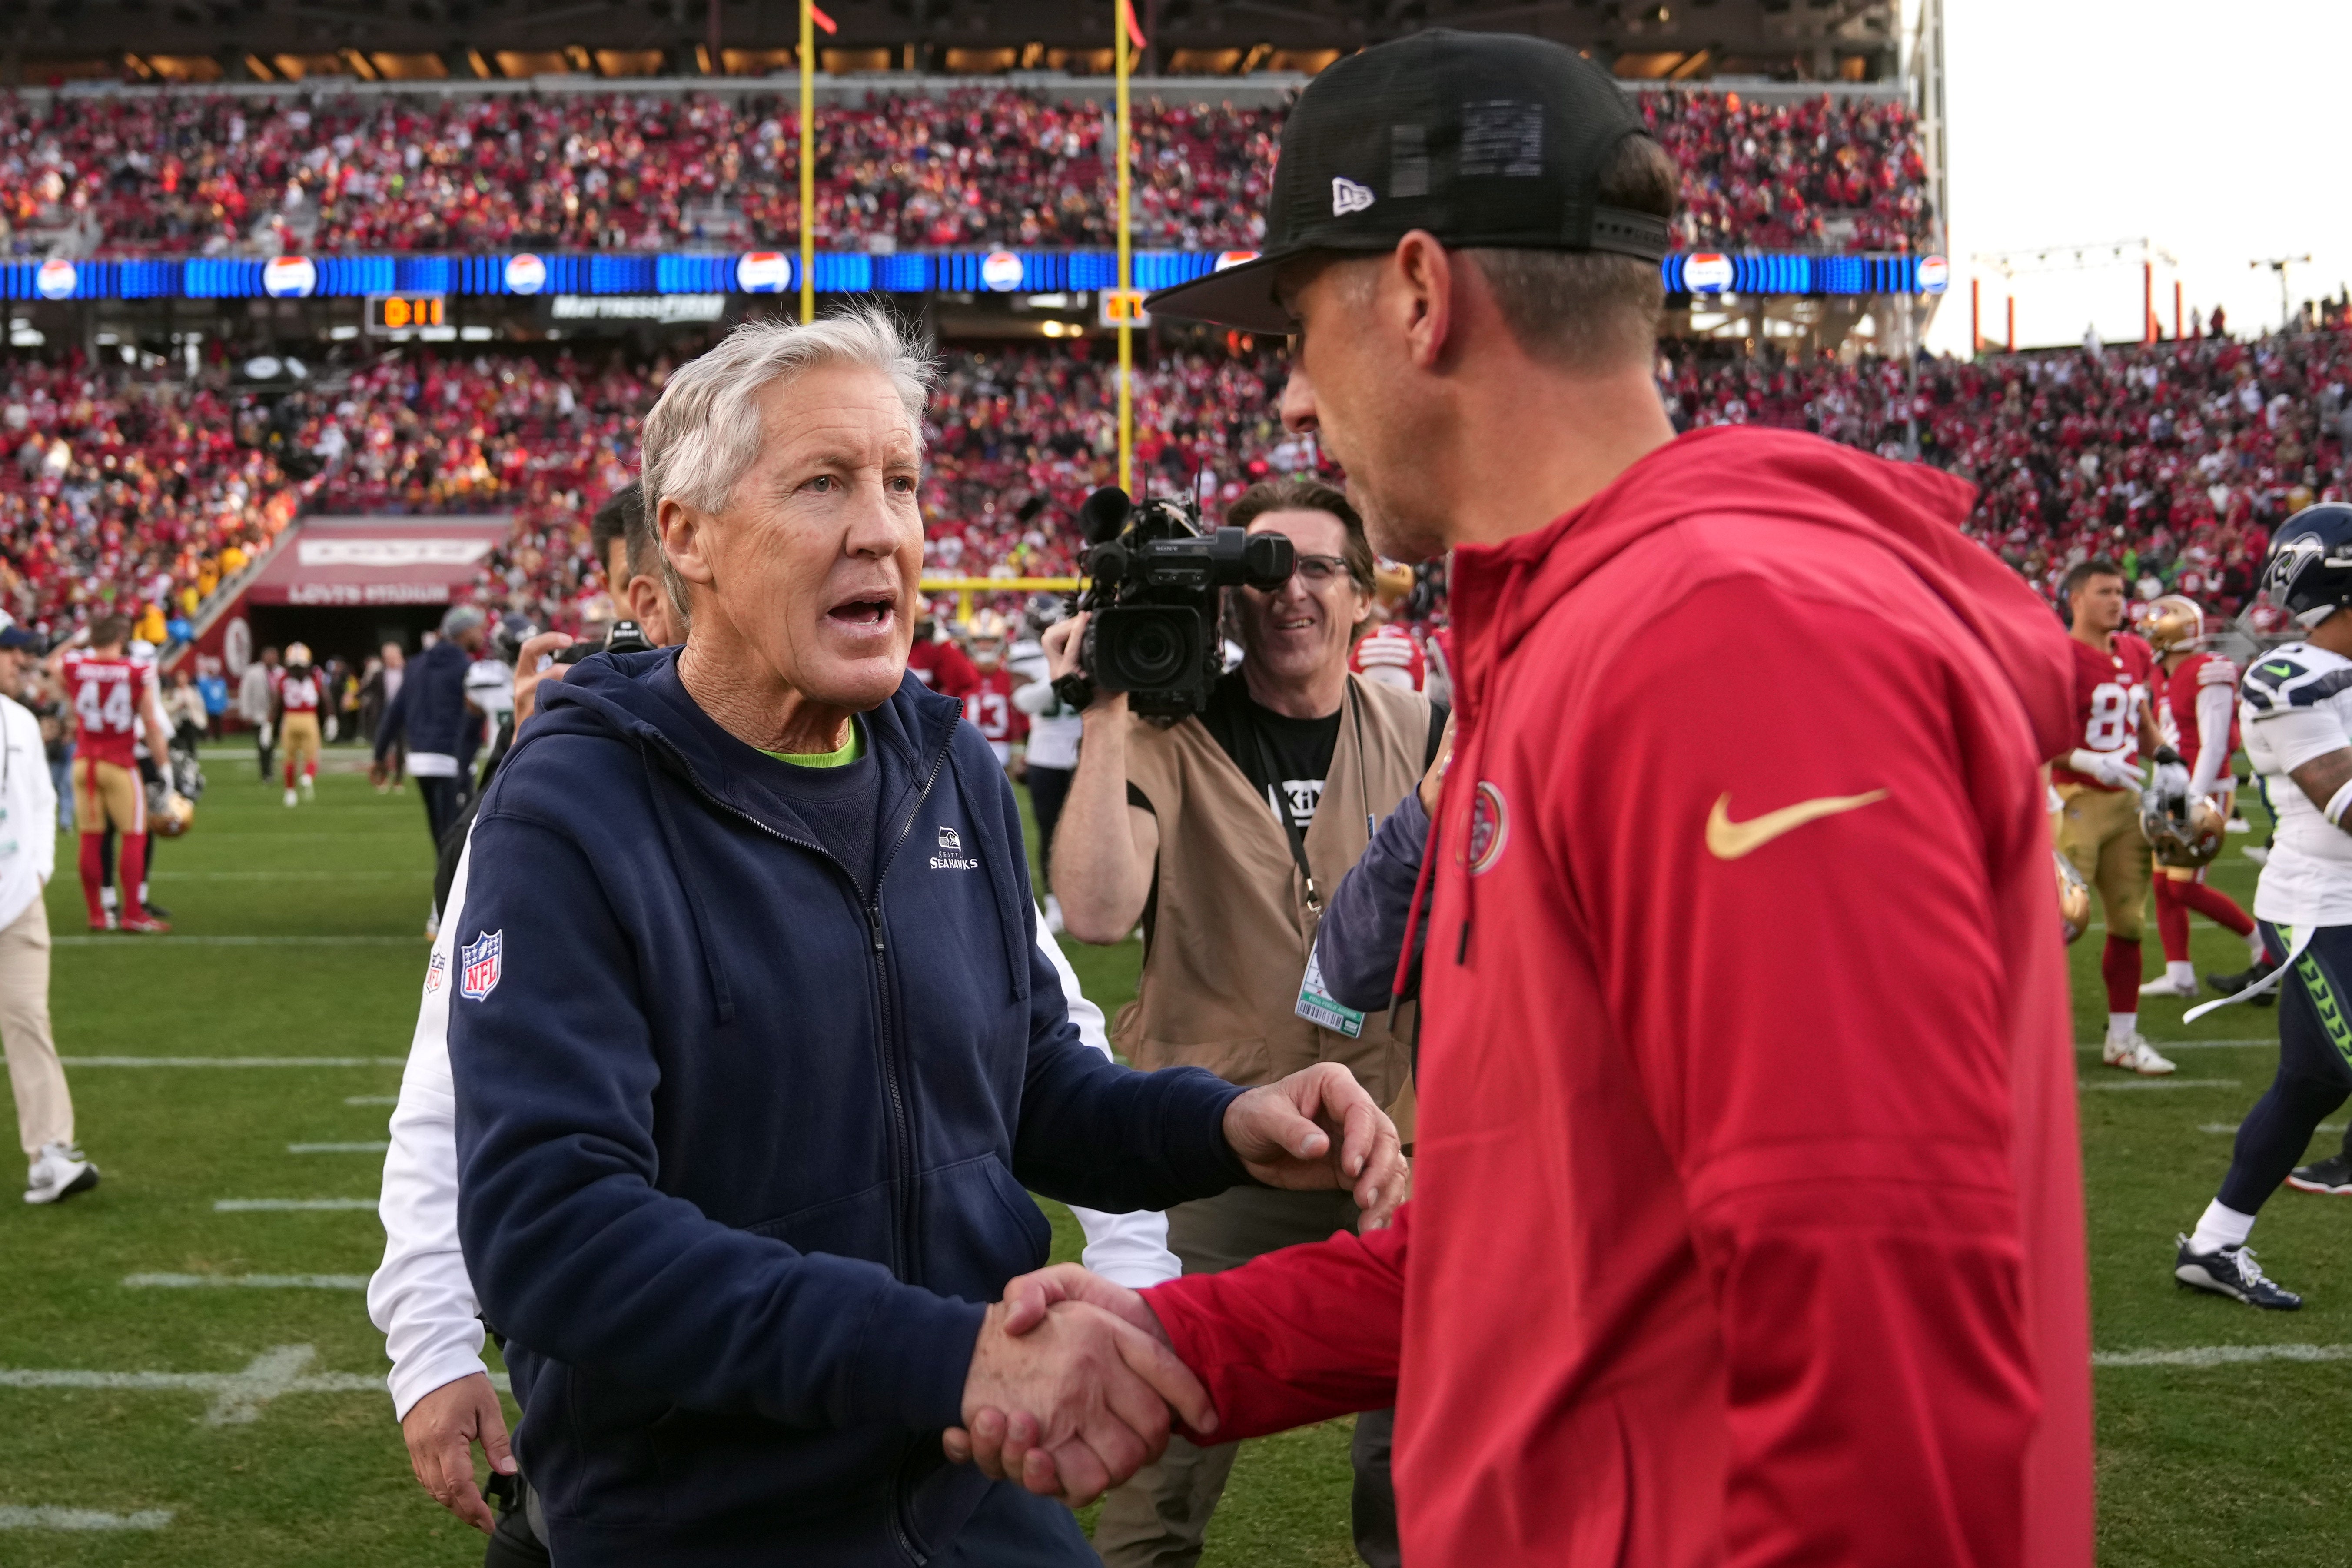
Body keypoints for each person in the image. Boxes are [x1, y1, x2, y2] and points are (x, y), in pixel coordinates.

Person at [951, 31, 2095, 1568]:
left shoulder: (1723, 642)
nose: (1292, 389)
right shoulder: (1576, 643)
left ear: (1417, 295)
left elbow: (1881, 1349)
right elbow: (1539, 1247)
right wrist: (1185, 1342)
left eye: (1297, 322)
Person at [447, 310, 1405, 1565]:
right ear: (686, 536)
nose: (880, 529)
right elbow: (551, 1230)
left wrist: (1219, 1125)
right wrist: (940, 1355)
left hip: (965, 1491)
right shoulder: (573, 808)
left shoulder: (942, 762)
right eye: (821, 484)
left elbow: (1019, 1084)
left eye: (900, 484)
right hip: (713, 1518)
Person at [1045, 472, 1437, 1568]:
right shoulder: (1170, 737)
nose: (1290, 593)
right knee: (1162, 1445)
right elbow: (1098, 907)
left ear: (1365, 596)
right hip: (1223, 1136)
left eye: (1317, 568)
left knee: (1416, 1450)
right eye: (1262, 569)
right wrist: (1110, 707)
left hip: (1393, 1132)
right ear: (1224, 593)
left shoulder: (1418, 725)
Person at [2172, 504, 2352, 1309]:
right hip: (2319, 907)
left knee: (2310, 1083)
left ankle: (2212, 1245)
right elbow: (2345, 802)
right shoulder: (2287, 674)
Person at [2050, 558, 2182, 1074]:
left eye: (2119, 591)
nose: (2116, 601)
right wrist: (2083, 759)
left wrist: (2168, 757)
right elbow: (2036, 732)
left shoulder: (2135, 649)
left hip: (2127, 805)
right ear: (2076, 599)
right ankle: (2018, 1031)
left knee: (2129, 923)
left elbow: (2141, 717)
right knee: (2057, 926)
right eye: (2104, 591)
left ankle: (2122, 1039)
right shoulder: (2057, 654)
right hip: (2075, 800)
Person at [2131, 595, 2270, 1001]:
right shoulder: (2162, 672)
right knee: (2162, 884)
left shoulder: (2208, 671)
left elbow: (2213, 746)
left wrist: (2193, 797)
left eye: (2153, 631)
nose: (2147, 638)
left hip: (2203, 790)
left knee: (2184, 888)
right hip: (2170, 788)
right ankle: (2180, 975)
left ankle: (2266, 949)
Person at [0, 621, 96, 1203]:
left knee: (29, 1020)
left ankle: (51, 1153)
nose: (20, 661)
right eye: (9, 651)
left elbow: (41, 801)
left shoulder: (18, 723)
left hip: (16, 898)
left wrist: (39, 869)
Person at [45, 615, 176, 934]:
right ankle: (132, 912)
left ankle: (97, 914)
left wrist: (77, 639)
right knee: (135, 835)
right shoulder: (134, 671)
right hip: (119, 762)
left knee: (91, 839)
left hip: (84, 762)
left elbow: (51, 664)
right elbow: (153, 726)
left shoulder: (77, 666)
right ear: (121, 638)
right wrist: (165, 768)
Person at [373, 605, 489, 928]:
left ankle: (445, 909)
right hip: (450, 761)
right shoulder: (465, 666)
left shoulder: (416, 664)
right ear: (464, 632)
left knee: (442, 837)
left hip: (420, 760)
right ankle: (442, 914)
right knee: (455, 839)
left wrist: (379, 755)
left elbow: (395, 712)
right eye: (478, 628)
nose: (482, 634)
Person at [1010, 594, 1080, 932]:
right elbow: (1024, 700)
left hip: (1089, 752)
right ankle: (1055, 902)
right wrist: (1062, 678)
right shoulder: (1025, 653)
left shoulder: (1085, 644)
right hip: (1047, 754)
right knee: (1051, 831)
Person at [962, 609, 1027, 770]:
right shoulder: (961, 672)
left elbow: (1022, 718)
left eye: (990, 640)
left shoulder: (1011, 674)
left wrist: (1019, 749)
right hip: (965, 748)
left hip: (1003, 750)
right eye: (980, 640)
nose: (984, 646)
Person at [277, 642, 323, 807]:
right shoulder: (315, 677)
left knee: (289, 759)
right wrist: (332, 718)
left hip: (290, 719)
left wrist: (269, 725)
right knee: (312, 756)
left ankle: (290, 792)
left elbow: (277, 703)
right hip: (308, 718)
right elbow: (326, 698)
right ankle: (307, 776)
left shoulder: (283, 678)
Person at [239, 644, 280, 782]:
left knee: (272, 744)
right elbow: (245, 693)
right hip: (260, 715)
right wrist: (246, 713)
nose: (272, 659)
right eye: (270, 656)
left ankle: (270, 771)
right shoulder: (253, 672)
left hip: (275, 716)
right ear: (264, 657)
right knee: (263, 745)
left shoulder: (280, 672)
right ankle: (266, 773)